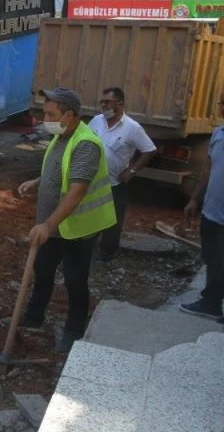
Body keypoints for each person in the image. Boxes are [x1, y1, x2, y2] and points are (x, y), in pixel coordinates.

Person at [17, 88, 117, 352]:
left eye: (50, 113)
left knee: (75, 280)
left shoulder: (85, 143)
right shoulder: (62, 136)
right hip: (53, 227)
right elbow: (61, 170)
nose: (43, 118)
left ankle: (74, 330)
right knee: (43, 271)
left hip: (77, 230)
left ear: (69, 115)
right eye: (43, 112)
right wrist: (38, 181)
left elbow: (76, 192)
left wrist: (47, 225)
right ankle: (33, 318)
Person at [88, 87, 156, 262]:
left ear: (120, 103)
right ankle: (86, 247)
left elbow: (149, 150)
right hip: (92, 181)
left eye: (107, 102)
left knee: (112, 220)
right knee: (90, 214)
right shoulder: (96, 121)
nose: (103, 105)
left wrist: (132, 170)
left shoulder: (132, 128)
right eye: (101, 102)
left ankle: (107, 253)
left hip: (114, 184)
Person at [180, 91, 224, 323]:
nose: (222, 107)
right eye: (222, 103)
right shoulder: (218, 133)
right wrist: (195, 199)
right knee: (213, 258)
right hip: (213, 212)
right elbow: (207, 169)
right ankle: (212, 302)